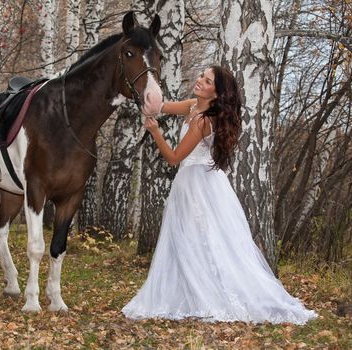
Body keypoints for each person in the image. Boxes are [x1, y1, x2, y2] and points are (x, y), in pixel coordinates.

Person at [122, 65, 317, 324]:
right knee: (191, 241)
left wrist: (156, 132)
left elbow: (174, 158)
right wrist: (147, 97)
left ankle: (212, 293)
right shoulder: (194, 106)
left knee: (204, 241)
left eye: (207, 80)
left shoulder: (203, 121)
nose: (200, 80)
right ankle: (189, 292)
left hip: (197, 186)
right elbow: (164, 107)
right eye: (201, 75)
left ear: (217, 92)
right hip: (196, 182)